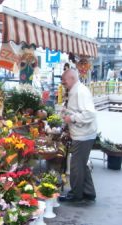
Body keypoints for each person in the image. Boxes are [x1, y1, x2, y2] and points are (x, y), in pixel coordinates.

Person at [59, 69, 97, 203]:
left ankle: (76, 195)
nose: (63, 83)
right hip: (82, 134)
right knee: (81, 164)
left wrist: (72, 118)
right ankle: (88, 192)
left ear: (72, 78)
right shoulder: (75, 90)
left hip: (83, 136)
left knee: (76, 166)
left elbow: (90, 114)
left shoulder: (80, 91)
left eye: (65, 80)